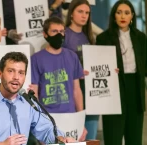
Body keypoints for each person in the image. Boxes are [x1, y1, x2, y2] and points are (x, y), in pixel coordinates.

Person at [0, 51, 75, 145]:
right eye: (11, 71)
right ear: (0, 73)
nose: (16, 77)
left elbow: (46, 130)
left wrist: (61, 139)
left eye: (21, 73)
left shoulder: (28, 103)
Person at [96, 1, 146, 145]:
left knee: (135, 139)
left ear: (132, 16)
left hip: (135, 90)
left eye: (126, 12)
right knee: (113, 138)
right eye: (119, 12)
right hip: (113, 90)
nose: (123, 16)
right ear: (114, 16)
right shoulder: (103, 38)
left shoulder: (141, 37)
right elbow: (99, 67)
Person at [30, 16, 87, 141]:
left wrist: (80, 120)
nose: (59, 35)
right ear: (45, 34)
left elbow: (76, 90)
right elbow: (34, 92)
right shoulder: (36, 59)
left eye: (61, 31)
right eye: (54, 31)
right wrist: (40, 122)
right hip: (48, 118)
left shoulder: (72, 56)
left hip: (71, 117)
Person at [62, 0, 98, 140]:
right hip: (71, 90)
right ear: (71, 14)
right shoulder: (64, 35)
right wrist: (76, 72)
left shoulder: (89, 36)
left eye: (87, 13)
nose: (84, 15)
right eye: (80, 11)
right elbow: (57, 63)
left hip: (91, 91)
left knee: (90, 137)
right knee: (74, 138)